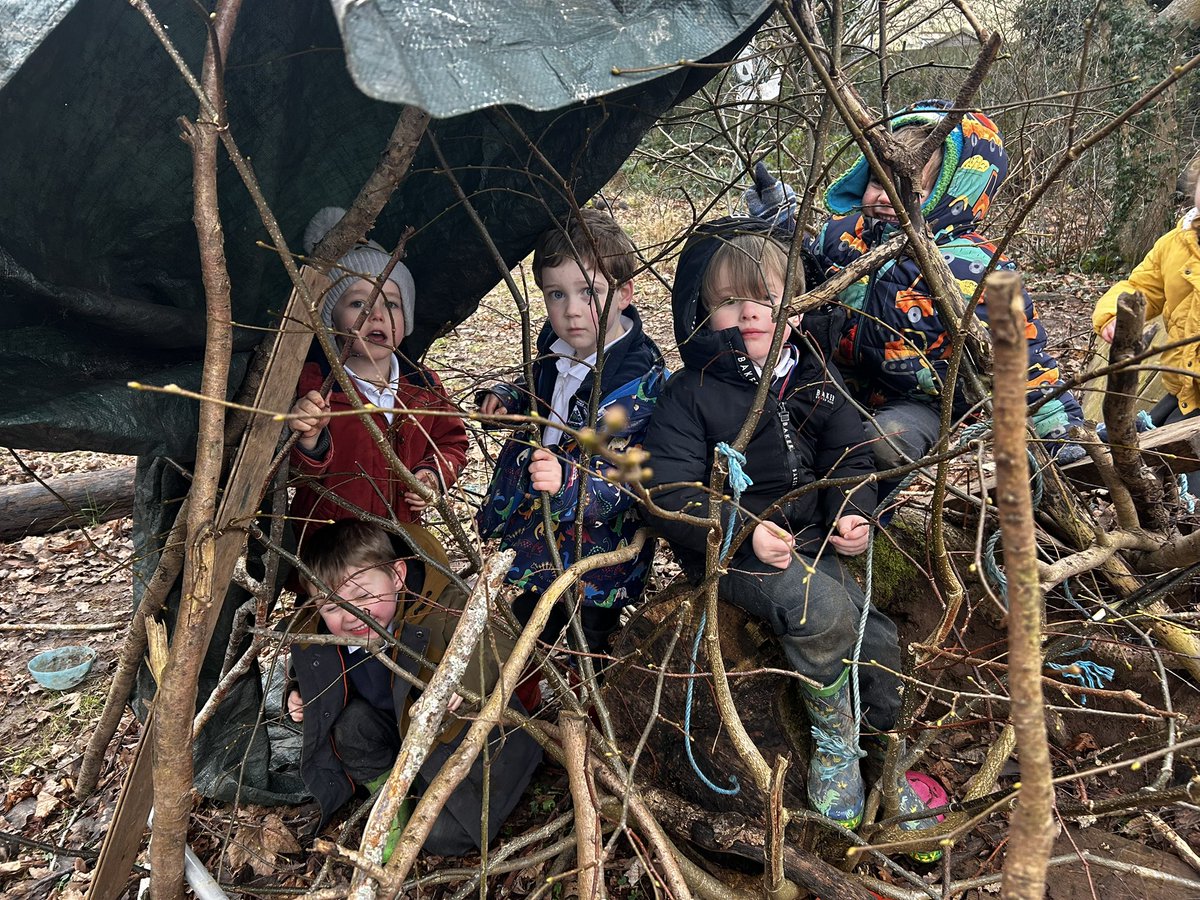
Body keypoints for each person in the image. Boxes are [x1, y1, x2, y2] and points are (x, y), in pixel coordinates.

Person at [641, 218, 937, 846]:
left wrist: (854, 512)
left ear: (796, 312)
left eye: (767, 302)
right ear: (702, 313)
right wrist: (741, 533)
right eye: (727, 302)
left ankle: (886, 759)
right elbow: (668, 493)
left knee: (876, 636)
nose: (748, 313)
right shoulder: (690, 394)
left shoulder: (813, 380)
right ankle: (834, 745)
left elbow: (850, 456)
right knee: (822, 607)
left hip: (807, 541)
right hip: (733, 556)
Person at [801, 102, 1084, 484]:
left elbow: (1020, 361)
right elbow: (804, 265)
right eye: (877, 182)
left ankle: (860, 522)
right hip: (840, 377)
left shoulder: (977, 269)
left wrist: (1058, 429)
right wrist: (777, 215)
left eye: (907, 186)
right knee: (792, 421)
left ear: (953, 192)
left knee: (882, 445)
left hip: (922, 401)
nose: (886, 197)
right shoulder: (843, 235)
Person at [285, 519, 542, 854]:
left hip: (459, 738)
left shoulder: (441, 605)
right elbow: (305, 668)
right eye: (332, 606)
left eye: (363, 594)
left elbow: (503, 644)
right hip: (397, 734)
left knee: (443, 837)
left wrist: (460, 684)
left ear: (397, 576)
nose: (352, 615)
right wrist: (297, 694)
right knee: (350, 726)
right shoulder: (322, 634)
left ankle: (429, 790)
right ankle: (389, 796)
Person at [476, 208, 666, 657]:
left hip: (598, 541)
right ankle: (531, 685)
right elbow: (544, 386)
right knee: (535, 612)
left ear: (624, 294)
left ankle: (588, 699)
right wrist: (511, 397)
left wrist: (569, 484)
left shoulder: (635, 383)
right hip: (539, 519)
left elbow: (624, 468)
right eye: (556, 294)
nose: (572, 311)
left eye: (589, 293)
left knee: (590, 632)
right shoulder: (556, 345)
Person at [287, 208, 468, 545]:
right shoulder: (317, 387)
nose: (377, 316)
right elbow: (295, 475)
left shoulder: (423, 386)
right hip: (333, 551)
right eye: (359, 304)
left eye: (393, 304)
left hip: (402, 543)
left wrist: (433, 475)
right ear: (332, 321)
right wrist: (309, 439)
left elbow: (452, 442)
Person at [1093, 169, 1200, 490]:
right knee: (1159, 465)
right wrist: (1116, 314)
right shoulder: (1176, 243)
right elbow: (1141, 286)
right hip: (1185, 390)